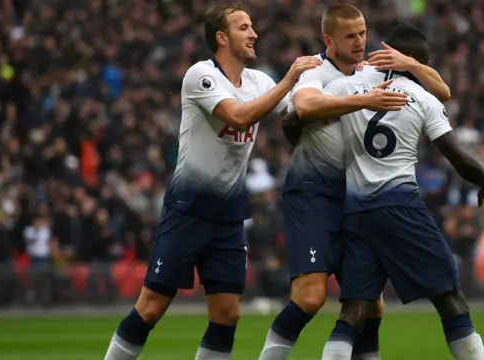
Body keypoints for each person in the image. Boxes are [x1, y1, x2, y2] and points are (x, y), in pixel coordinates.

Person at [103, 4, 321, 360]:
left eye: (252, 26)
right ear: (222, 37)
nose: (254, 33)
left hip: (229, 215)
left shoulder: (258, 81)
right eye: (244, 27)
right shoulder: (201, 76)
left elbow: (298, 110)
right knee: (153, 305)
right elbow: (236, 117)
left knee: (227, 313)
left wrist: (342, 93)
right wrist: (290, 79)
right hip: (188, 209)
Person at [259, 4, 452, 360]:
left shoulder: (369, 71)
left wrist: (411, 64)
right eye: (351, 36)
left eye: (363, 33)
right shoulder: (314, 70)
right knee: (310, 298)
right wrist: (362, 100)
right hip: (313, 193)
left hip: (354, 198)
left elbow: (440, 93)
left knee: (370, 305)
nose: (360, 41)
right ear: (328, 40)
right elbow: (303, 106)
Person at [319, 25, 484, 360]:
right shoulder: (422, 99)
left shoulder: (344, 87)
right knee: (450, 298)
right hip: (400, 207)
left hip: (356, 213)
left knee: (354, 311)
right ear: (411, 61)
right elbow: (458, 157)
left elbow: (303, 116)